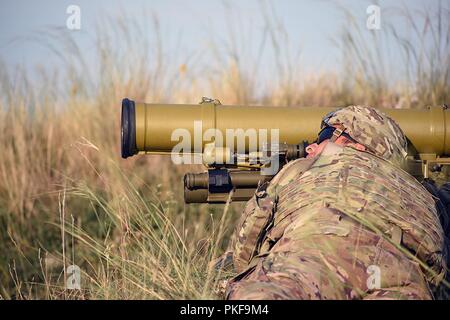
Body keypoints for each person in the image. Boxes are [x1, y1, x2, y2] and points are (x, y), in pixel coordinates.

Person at [221, 105, 447, 300]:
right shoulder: (422, 192)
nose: (310, 147)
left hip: (320, 254)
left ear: (357, 145)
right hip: (407, 274)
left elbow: (247, 245)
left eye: (324, 136)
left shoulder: (311, 165)